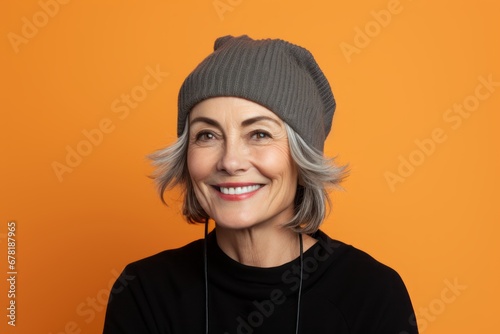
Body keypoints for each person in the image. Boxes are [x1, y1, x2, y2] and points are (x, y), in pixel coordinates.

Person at [103, 35, 418, 334]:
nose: (230, 161)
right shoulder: (144, 292)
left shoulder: (371, 293)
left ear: (302, 154)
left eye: (260, 134)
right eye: (207, 135)